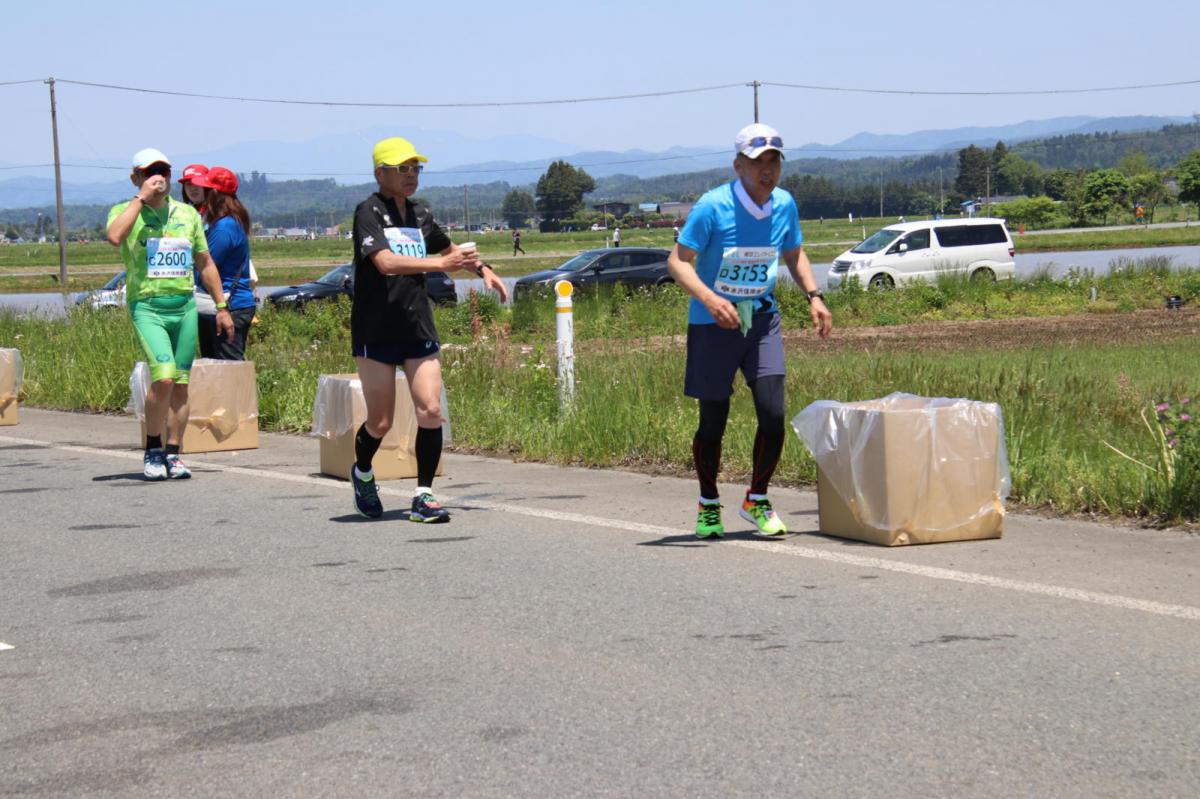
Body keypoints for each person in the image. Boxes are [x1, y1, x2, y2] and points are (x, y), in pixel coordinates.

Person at [666, 123, 832, 538]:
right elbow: (678, 261)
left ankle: (756, 498)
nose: (768, 170)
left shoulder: (785, 205)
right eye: (759, 162)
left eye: (774, 161)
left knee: (773, 415)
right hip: (713, 324)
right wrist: (710, 299)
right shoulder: (712, 206)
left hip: (761, 321)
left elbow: (794, 254)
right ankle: (708, 503)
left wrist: (814, 295)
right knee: (713, 423)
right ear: (739, 164)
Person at [349, 136, 509, 522]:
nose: (411, 176)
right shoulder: (367, 212)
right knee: (381, 420)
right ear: (380, 173)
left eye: (415, 169)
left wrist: (483, 269)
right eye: (402, 169)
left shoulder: (420, 215)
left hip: (415, 322)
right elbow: (385, 263)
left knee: (431, 409)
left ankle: (423, 495)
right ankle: (363, 472)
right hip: (375, 327)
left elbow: (452, 249)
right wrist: (443, 266)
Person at [105, 148, 233, 481]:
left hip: (184, 306)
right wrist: (140, 200)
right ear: (136, 177)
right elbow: (114, 236)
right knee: (162, 376)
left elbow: (205, 262)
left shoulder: (187, 215)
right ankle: (153, 448)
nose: (157, 177)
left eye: (162, 171)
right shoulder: (124, 210)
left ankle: (174, 454)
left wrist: (221, 307)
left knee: (180, 384)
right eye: (149, 173)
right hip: (148, 306)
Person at [192, 167, 256, 360]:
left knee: (228, 369)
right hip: (230, 304)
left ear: (215, 193)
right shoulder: (231, 222)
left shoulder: (224, 227)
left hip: (230, 306)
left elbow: (205, 266)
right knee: (217, 367)